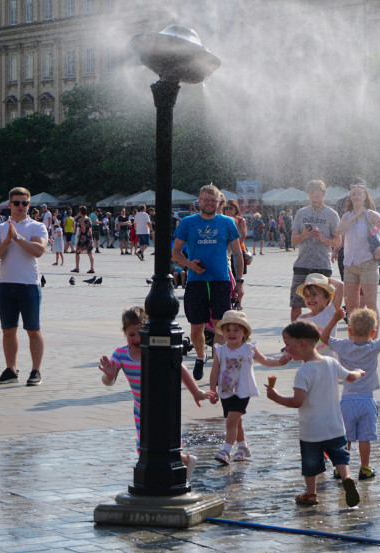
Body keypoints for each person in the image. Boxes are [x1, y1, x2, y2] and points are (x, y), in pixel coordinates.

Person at [98, 306, 209, 481]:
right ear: (124, 333)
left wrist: (196, 391)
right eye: (131, 334)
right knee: (144, 446)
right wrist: (109, 374)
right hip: (141, 409)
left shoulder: (156, 348)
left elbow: (179, 368)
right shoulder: (120, 354)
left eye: (141, 333)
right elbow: (109, 382)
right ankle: (167, 470)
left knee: (166, 444)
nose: (136, 338)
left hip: (164, 405)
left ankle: (179, 467)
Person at [266, 320, 365, 507]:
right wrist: (359, 371)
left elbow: (297, 401)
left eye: (288, 344)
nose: (285, 349)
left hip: (312, 431)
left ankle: (311, 494)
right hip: (335, 427)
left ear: (302, 343)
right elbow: (351, 377)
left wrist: (275, 396)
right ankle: (347, 478)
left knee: (310, 465)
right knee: (340, 457)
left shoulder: (303, 372)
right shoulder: (331, 362)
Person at [319, 298, 380, 481]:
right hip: (367, 400)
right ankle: (365, 468)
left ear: (349, 331)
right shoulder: (374, 347)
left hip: (347, 399)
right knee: (365, 438)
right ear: (372, 333)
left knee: (345, 437)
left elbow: (324, 338)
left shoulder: (343, 345)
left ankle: (341, 468)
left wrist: (334, 319)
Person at [173, 184, 245, 381]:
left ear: (219, 202)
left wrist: (239, 282)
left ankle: (218, 363)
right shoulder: (187, 222)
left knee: (220, 325)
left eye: (213, 200)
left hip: (220, 280)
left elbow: (238, 254)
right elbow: (175, 253)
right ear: (199, 200)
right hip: (196, 281)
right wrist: (189, 264)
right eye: (205, 199)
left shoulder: (227, 222)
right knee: (196, 327)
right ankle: (200, 356)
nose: (209, 203)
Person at [208, 310, 290, 465]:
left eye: (236, 330)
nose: (231, 334)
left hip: (242, 391)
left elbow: (264, 360)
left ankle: (226, 451)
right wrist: (213, 390)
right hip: (226, 391)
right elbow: (215, 371)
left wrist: (280, 362)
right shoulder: (220, 349)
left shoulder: (248, 349)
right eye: (227, 330)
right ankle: (243, 447)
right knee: (236, 421)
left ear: (244, 332)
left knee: (231, 421)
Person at [0, 187, 49, 386]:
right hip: (6, 284)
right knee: (8, 330)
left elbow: (38, 250)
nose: (20, 206)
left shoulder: (37, 227)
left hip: (29, 284)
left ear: (29, 205)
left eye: (24, 203)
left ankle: (36, 370)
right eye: (16, 203)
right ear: (10, 205)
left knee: (33, 329)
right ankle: (11, 369)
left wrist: (18, 238)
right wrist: (6, 241)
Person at [337, 183, 380, 321]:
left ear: (365, 197)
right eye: (353, 194)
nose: (356, 196)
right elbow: (339, 231)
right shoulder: (346, 216)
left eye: (359, 194)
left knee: (371, 305)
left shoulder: (371, 215)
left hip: (367, 264)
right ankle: (353, 339)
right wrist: (356, 216)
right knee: (351, 307)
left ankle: (374, 341)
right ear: (350, 197)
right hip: (349, 265)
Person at [290, 180, 342, 321]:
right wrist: (305, 235)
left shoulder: (331, 214)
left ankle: (322, 334)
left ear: (324, 195)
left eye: (318, 196)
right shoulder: (301, 213)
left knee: (323, 304)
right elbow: (293, 240)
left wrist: (322, 238)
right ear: (308, 195)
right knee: (296, 304)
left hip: (322, 265)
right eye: (312, 196)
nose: (315, 199)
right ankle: (295, 336)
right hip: (302, 264)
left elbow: (338, 241)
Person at [295, 273, 344, 357]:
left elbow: (340, 285)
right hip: (310, 364)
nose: (310, 298)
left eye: (315, 294)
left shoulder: (330, 312)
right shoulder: (301, 319)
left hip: (330, 363)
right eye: (307, 295)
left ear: (327, 297)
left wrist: (326, 279)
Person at [71, 206, 95, 274]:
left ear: (80, 212)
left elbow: (83, 230)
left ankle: (77, 267)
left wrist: (78, 229)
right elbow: (90, 229)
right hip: (89, 237)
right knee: (90, 253)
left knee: (77, 252)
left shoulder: (81, 220)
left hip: (83, 238)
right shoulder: (89, 219)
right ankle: (92, 268)